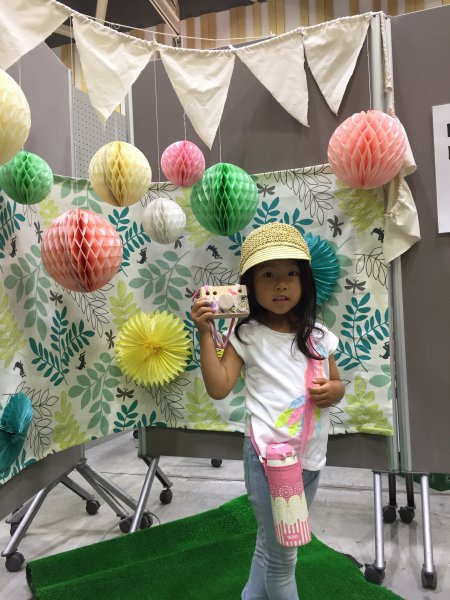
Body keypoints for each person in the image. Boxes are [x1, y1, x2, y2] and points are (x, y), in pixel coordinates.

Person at [190, 222, 345, 600]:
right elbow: (218, 387)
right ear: (249, 286)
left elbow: (337, 383)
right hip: (266, 461)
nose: (281, 284)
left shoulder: (318, 335)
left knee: (272, 541)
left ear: (305, 281)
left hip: (310, 458)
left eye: (291, 273)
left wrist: (333, 392)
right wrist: (206, 334)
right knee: (282, 557)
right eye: (268, 275)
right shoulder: (246, 335)